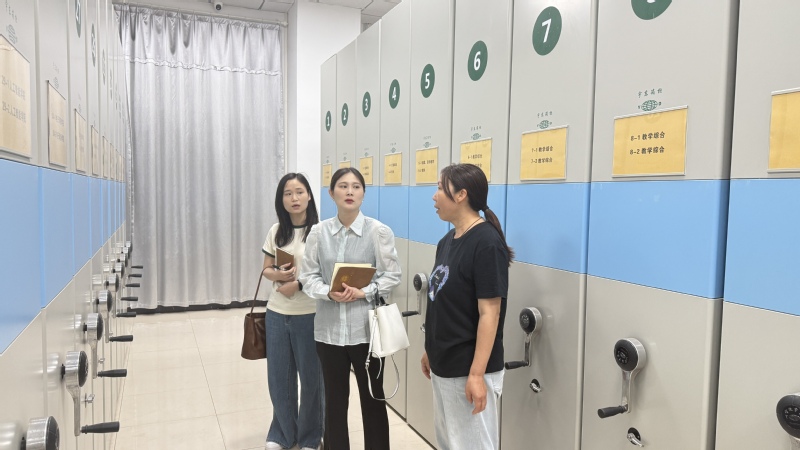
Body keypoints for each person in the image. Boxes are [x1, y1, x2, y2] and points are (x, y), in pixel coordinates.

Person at [299, 167, 402, 450]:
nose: (349, 192)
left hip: (367, 332)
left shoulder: (378, 232)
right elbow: (307, 277)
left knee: (373, 400)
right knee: (334, 402)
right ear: (331, 193)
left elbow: (392, 276)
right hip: (328, 332)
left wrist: (364, 291)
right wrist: (328, 292)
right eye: (343, 186)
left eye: (356, 187)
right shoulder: (318, 233)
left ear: (363, 194)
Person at [420, 163, 512, 450]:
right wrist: (431, 349)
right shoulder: (447, 241)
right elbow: (443, 302)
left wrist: (476, 375)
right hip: (445, 364)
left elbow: (490, 313)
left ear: (461, 195)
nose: (434, 195)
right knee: (450, 443)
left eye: (440, 188)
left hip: (468, 368)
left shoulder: (486, 243)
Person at [261, 173, 324, 450]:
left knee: (312, 380)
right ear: (281, 199)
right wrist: (279, 275)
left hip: (310, 314)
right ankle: (283, 434)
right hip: (276, 312)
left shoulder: (320, 232)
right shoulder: (276, 231)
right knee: (279, 379)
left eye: (299, 192)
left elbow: (326, 275)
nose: (294, 198)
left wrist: (297, 284)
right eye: (288, 193)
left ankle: (311, 436)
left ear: (309, 195)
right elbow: (266, 269)